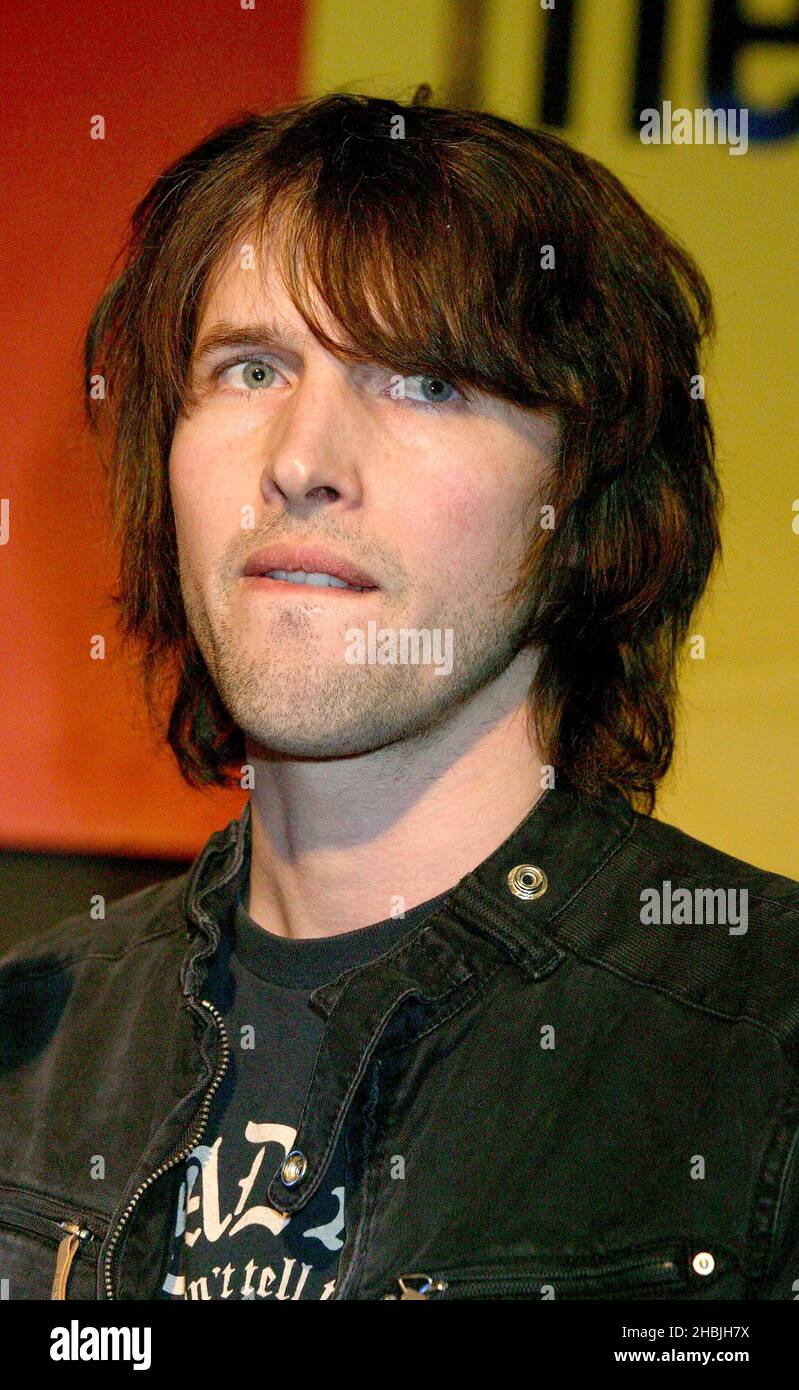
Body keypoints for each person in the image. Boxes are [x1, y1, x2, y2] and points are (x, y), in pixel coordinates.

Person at [1, 86, 797, 1302]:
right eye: (252, 367)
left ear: (585, 499)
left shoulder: (762, 1049)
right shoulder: (28, 1054)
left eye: (422, 381)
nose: (303, 461)